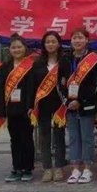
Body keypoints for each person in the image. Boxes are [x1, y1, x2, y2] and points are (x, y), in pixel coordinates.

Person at [29, 31, 70, 183]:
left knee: (59, 136)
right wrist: (31, 105)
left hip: (60, 103)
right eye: (48, 42)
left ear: (58, 44)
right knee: (44, 136)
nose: (50, 44)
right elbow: (32, 86)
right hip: (43, 104)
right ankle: (47, 168)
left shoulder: (65, 61)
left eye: (53, 41)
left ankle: (59, 167)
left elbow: (69, 82)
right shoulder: (38, 63)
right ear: (44, 45)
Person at [0, 34, 35, 182]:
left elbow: (32, 88)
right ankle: (16, 168)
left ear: (25, 48)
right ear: (9, 49)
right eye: (13, 47)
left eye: (19, 47)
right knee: (15, 139)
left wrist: (31, 106)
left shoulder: (31, 65)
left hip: (26, 108)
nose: (16, 50)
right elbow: (0, 89)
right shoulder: (5, 67)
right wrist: (1, 110)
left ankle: (27, 169)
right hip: (11, 108)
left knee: (27, 138)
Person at [64, 28, 97, 184]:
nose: (77, 41)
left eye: (80, 38)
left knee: (87, 137)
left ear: (87, 40)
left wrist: (81, 100)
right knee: (73, 138)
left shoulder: (94, 59)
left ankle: (87, 169)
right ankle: (75, 169)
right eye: (74, 38)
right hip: (70, 106)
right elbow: (60, 83)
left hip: (87, 105)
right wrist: (68, 101)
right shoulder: (65, 59)